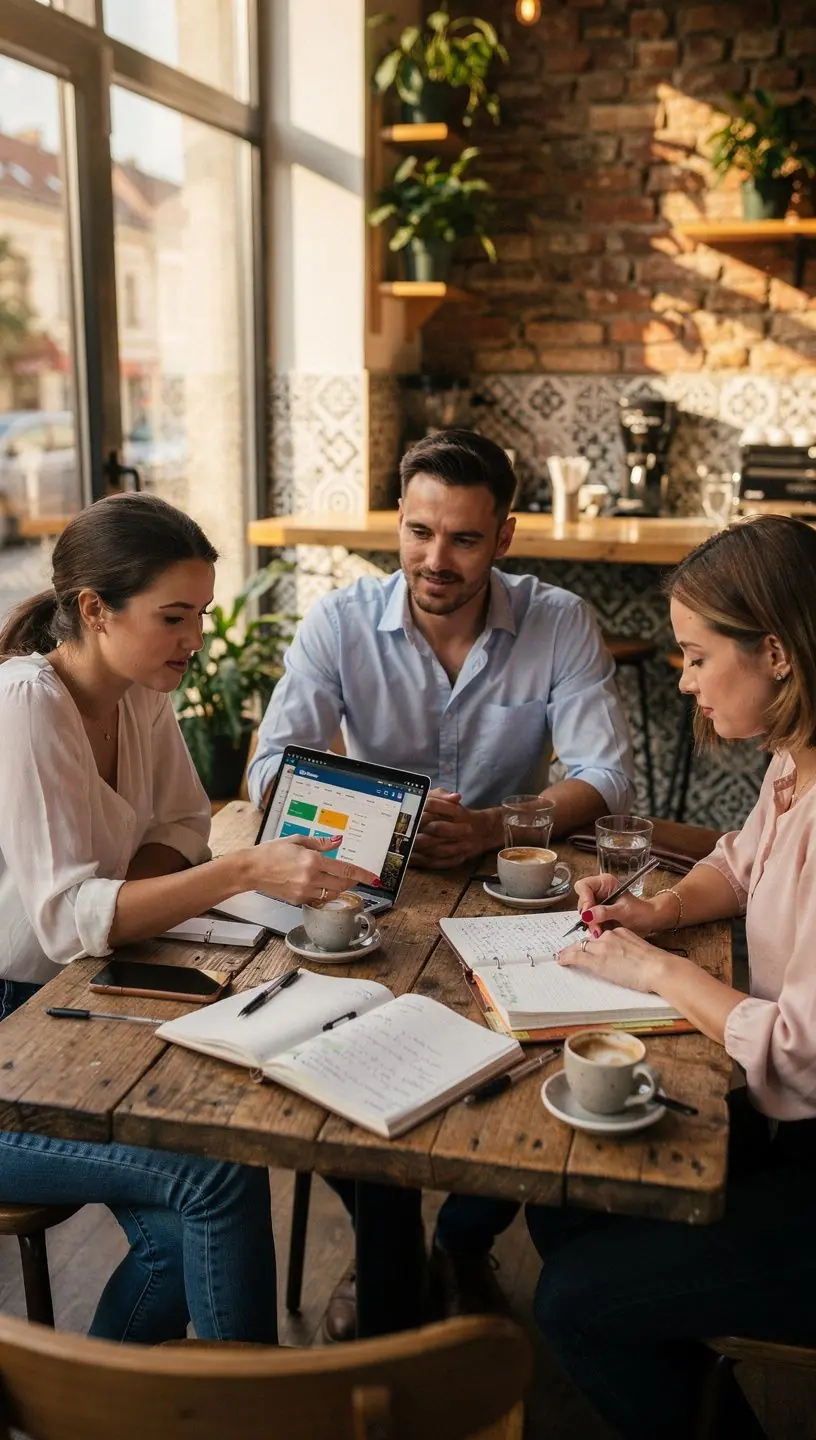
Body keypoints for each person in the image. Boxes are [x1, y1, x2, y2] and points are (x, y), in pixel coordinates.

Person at [248, 429, 635, 1338]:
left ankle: (459, 1239)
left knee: (533, 1062)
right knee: (325, 1059)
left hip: (518, 891)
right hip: (365, 892)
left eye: (462, 538)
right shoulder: (339, 622)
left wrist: (501, 825)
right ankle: (386, 1257)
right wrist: (390, 817)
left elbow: (606, 776)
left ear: (504, 535)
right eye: (419, 532)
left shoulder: (559, 619)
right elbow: (268, 772)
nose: (435, 560)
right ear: (399, 522)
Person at [0, 492, 379, 1345]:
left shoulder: (138, 691)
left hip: (71, 1003)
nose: (197, 639)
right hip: (14, 1040)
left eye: (201, 614)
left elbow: (181, 826)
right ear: (94, 610)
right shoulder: (26, 703)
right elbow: (67, 923)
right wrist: (237, 871)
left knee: (194, 1217)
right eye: (175, 616)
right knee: (216, 1172)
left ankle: (93, 1407)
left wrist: (126, 908)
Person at [528, 514, 816, 1440]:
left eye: (695, 657)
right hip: (782, 1132)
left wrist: (653, 971)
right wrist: (662, 909)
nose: (683, 681)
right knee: (564, 1207)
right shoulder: (793, 764)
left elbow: (797, 1052)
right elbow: (735, 864)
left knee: (572, 1301)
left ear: (773, 651)